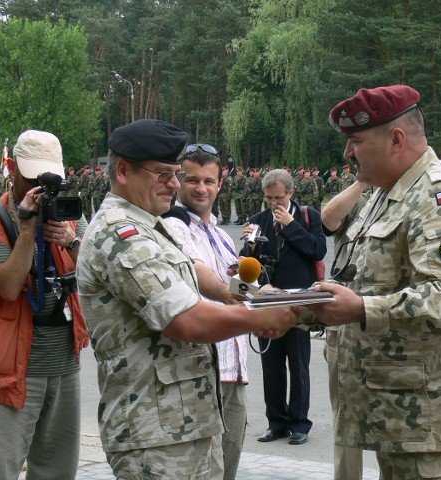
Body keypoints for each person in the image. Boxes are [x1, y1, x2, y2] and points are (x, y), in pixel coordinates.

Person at [76, 119, 298, 479]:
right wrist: (256, 317)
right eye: (164, 174)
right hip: (154, 430)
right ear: (122, 171)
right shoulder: (122, 234)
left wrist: (256, 295)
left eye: (176, 173)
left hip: (184, 421)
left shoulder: (151, 224)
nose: (176, 184)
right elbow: (185, 320)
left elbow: (201, 274)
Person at [306, 85, 441, 479]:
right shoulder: (385, 194)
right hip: (401, 419)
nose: (348, 153)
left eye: (356, 141)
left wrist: (360, 309)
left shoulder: (438, 196)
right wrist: (288, 306)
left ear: (396, 139)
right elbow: (362, 282)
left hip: (437, 428)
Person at [0, 129, 90, 480]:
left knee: (57, 470)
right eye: (34, 177)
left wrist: (73, 243)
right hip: (10, 368)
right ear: (11, 167)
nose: (43, 187)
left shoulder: (68, 213)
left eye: (51, 178)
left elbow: (99, 278)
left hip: (64, 364)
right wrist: (28, 227)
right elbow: (9, 287)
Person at [163, 144, 249, 480]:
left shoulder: (221, 235)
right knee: (204, 470)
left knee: (229, 464)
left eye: (209, 181)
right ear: (178, 180)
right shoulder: (173, 225)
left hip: (235, 367)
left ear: (220, 182)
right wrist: (237, 297)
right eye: (192, 179)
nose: (201, 188)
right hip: (202, 371)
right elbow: (196, 272)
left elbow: (241, 288)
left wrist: (272, 294)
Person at [240, 168, 327, 446]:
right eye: (269, 198)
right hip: (267, 300)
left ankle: (299, 423)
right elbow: (246, 264)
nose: (274, 203)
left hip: (299, 301)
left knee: (298, 364)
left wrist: (291, 226)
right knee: (271, 364)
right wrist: (248, 244)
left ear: (290, 193)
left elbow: (317, 249)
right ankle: (276, 422)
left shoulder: (308, 216)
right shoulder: (258, 219)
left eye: (278, 197)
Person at [320, 179, 371, 480]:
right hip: (345, 326)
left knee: (395, 418)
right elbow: (329, 218)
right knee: (346, 419)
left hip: (389, 326)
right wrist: (363, 182)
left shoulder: (412, 198)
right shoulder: (358, 200)